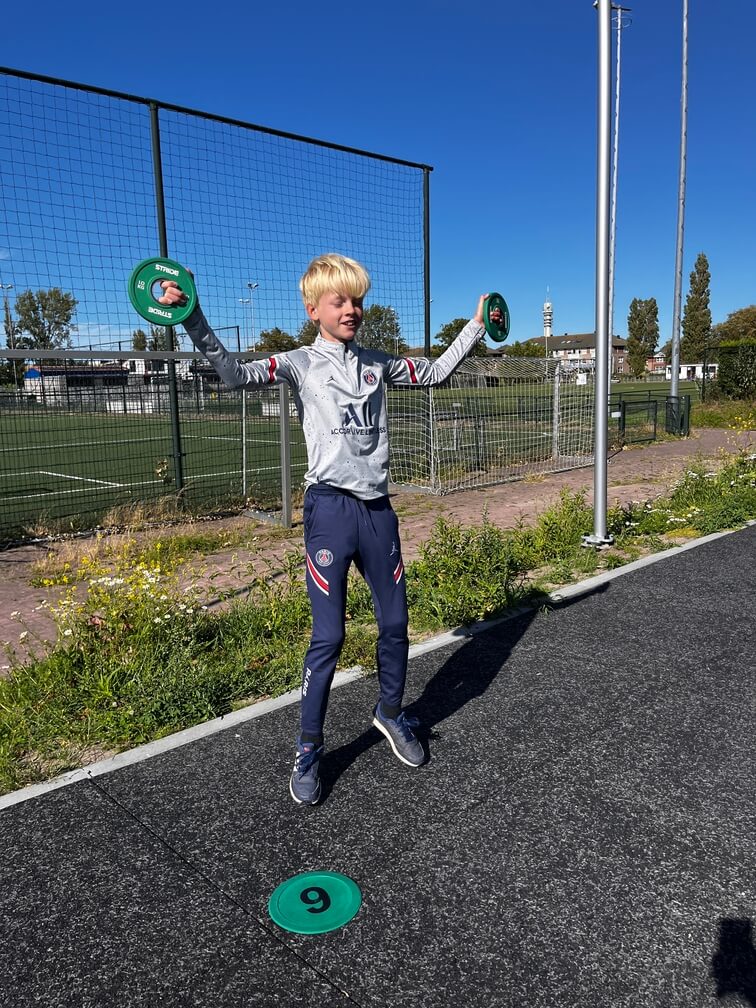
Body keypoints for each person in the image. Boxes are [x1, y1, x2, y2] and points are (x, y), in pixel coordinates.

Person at [160, 253, 499, 806]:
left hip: (378, 512)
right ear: (312, 309)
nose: (352, 310)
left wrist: (476, 326)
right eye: (339, 300)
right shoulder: (297, 363)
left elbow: (436, 372)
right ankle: (309, 746)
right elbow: (233, 375)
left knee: (396, 623)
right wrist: (192, 314)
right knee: (330, 638)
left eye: (357, 300)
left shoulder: (378, 364)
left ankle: (390, 712)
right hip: (329, 513)